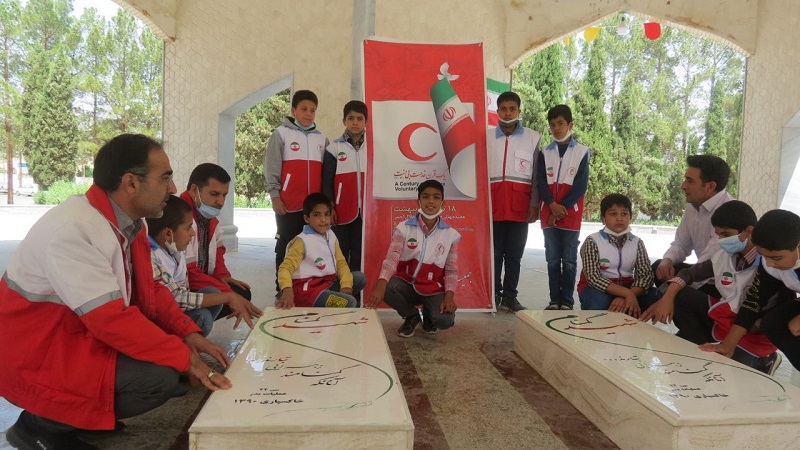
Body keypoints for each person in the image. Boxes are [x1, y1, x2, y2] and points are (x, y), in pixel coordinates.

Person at [0, 134, 232, 450]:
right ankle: (40, 426)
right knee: (159, 378)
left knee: (168, 358)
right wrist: (185, 358)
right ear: (130, 183)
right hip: (37, 353)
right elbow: (110, 320)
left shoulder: (129, 224)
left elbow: (150, 289)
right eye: (165, 178)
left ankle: (81, 416)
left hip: (71, 340)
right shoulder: (75, 229)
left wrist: (187, 333)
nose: (173, 188)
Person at [641, 201, 780, 374]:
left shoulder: (770, 263)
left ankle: (766, 359)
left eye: (726, 234)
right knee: (679, 294)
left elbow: (779, 309)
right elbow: (688, 274)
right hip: (728, 317)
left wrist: (757, 325)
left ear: (749, 231)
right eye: (718, 234)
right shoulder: (724, 255)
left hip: (753, 331)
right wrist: (666, 298)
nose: (722, 240)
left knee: (726, 371)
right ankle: (696, 345)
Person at [148, 195, 263, 336]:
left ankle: (192, 337)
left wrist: (223, 282)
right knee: (203, 316)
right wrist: (229, 296)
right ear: (167, 234)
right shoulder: (152, 257)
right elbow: (176, 298)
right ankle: (184, 342)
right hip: (163, 315)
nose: (192, 233)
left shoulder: (175, 249)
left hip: (177, 308)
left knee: (213, 292)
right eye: (188, 228)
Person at [701, 209, 800, 372]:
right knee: (773, 323)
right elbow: (754, 301)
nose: (769, 263)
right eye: (763, 256)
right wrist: (728, 345)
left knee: (796, 325)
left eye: (776, 258)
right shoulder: (770, 265)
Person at [367, 180, 460, 337]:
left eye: (436, 197)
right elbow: (391, 259)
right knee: (386, 287)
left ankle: (429, 315)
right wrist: (380, 287)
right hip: (407, 285)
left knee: (445, 321)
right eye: (426, 197)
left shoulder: (451, 235)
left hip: (432, 289)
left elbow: (451, 270)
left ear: (443, 203)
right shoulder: (403, 228)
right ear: (418, 202)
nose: (431, 201)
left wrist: (449, 296)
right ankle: (411, 316)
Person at [264, 89, 329, 294]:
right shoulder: (281, 134)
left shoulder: (322, 139)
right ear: (293, 110)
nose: (308, 114)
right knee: (287, 246)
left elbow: (326, 174)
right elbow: (272, 167)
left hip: (314, 208)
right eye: (303, 109)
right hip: (288, 204)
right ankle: (283, 289)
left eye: (312, 110)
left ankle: (307, 289)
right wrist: (275, 196)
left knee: (312, 247)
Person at [488, 91, 541, 312]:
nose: (508, 113)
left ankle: (510, 296)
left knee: (514, 255)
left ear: (519, 110)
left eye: (512, 109)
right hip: (493, 205)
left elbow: (537, 175)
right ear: (497, 111)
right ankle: (493, 295)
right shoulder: (486, 137)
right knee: (494, 254)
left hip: (521, 207)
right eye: (503, 109)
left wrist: (534, 204)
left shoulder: (533, 137)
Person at [180, 163, 253, 319]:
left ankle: (198, 321)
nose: (221, 201)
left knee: (242, 293)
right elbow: (189, 274)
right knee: (213, 307)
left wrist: (222, 276)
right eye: (214, 194)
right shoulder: (179, 220)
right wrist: (228, 295)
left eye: (224, 195)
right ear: (194, 190)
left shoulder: (210, 219)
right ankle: (193, 325)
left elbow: (218, 252)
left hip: (199, 281)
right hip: (182, 287)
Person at [652, 155, 733, 287]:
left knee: (679, 290)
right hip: (698, 273)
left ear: (710, 186)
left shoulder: (729, 211)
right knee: (659, 268)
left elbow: (708, 262)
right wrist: (667, 260)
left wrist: (678, 284)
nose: (683, 185)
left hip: (721, 282)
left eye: (689, 181)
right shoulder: (693, 206)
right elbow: (681, 244)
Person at [538, 104, 590, 311]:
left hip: (570, 215)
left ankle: (567, 300)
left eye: (560, 123)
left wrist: (562, 209)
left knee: (569, 261)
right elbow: (541, 182)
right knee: (552, 260)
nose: (556, 128)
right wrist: (552, 205)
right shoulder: (545, 152)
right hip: (548, 213)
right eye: (552, 125)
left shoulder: (582, 152)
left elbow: (580, 186)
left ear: (570, 125)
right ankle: (554, 299)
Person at [275, 193, 365, 309]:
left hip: (326, 284)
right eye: (317, 215)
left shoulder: (331, 235)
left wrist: (346, 285)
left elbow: (341, 262)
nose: (323, 220)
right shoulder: (301, 241)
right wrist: (287, 290)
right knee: (351, 302)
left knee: (359, 278)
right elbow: (285, 268)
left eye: (327, 214)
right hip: (307, 292)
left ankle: (330, 305)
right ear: (307, 218)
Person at [577, 194, 658, 316]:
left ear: (630, 217)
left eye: (624, 214)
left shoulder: (637, 242)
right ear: (603, 218)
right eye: (613, 214)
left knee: (655, 296)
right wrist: (627, 294)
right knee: (598, 302)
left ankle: (629, 317)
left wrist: (629, 294)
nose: (619, 218)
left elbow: (645, 276)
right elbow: (593, 278)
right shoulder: (592, 241)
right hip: (598, 289)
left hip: (629, 287)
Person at [322, 100, 368, 274]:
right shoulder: (333, 148)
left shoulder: (373, 147)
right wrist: (330, 207)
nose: (355, 122)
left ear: (366, 122)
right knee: (340, 253)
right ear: (344, 121)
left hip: (366, 213)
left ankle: (357, 287)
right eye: (351, 118)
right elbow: (327, 180)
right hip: (341, 211)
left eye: (359, 118)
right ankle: (340, 286)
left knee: (359, 254)